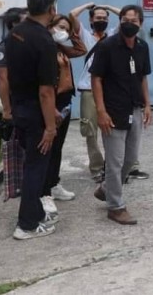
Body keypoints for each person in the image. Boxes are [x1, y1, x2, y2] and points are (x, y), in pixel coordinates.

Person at [71, 2, 149, 182]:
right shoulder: (86, 36)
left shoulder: (114, 35)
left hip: (111, 90)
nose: (102, 20)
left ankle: (123, 167)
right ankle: (97, 167)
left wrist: (107, 7)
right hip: (89, 89)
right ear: (91, 20)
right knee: (91, 131)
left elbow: (128, 19)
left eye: (105, 18)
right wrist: (88, 6)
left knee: (117, 130)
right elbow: (72, 15)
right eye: (98, 18)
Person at [5, 0, 60, 240]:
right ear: (52, 9)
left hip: (20, 108)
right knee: (36, 169)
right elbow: (45, 91)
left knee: (31, 164)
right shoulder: (44, 41)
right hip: (36, 114)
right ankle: (27, 225)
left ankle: (35, 211)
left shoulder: (16, 33)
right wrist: (50, 126)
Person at [90, 5, 152, 225]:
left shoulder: (142, 47)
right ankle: (115, 207)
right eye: (125, 20)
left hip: (134, 109)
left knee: (130, 159)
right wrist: (101, 111)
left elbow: (143, 77)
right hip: (113, 111)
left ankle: (106, 188)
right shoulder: (106, 46)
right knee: (114, 162)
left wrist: (147, 104)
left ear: (140, 23)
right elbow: (96, 78)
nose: (128, 24)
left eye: (133, 21)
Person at [40, 13, 87, 219]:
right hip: (53, 103)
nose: (63, 32)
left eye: (66, 29)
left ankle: (54, 183)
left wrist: (72, 32)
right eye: (60, 27)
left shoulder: (60, 48)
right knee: (48, 148)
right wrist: (52, 108)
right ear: (50, 26)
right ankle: (44, 191)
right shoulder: (45, 49)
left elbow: (81, 50)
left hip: (65, 102)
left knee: (58, 147)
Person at [0, 6, 27, 200]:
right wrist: (7, 109)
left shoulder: (28, 44)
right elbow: (2, 78)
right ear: (14, 24)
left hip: (31, 102)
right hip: (17, 103)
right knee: (18, 145)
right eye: (25, 21)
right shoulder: (5, 47)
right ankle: (20, 185)